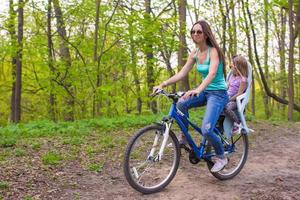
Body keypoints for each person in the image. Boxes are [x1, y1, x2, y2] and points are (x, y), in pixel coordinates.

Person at [153, 20, 229, 173]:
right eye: (193, 32)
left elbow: (212, 73)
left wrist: (198, 89)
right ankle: (185, 137)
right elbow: (182, 73)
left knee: (207, 130)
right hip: (205, 92)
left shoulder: (213, 51)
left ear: (206, 34)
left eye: (199, 32)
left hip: (218, 94)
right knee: (181, 103)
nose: (195, 34)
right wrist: (163, 84)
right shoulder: (194, 53)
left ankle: (221, 156)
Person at [224, 55, 248, 134]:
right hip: (228, 97)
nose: (231, 66)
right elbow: (227, 87)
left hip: (236, 101)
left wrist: (229, 99)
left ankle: (237, 123)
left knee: (227, 108)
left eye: (233, 65)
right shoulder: (232, 76)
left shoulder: (243, 80)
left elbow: (239, 93)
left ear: (238, 67)